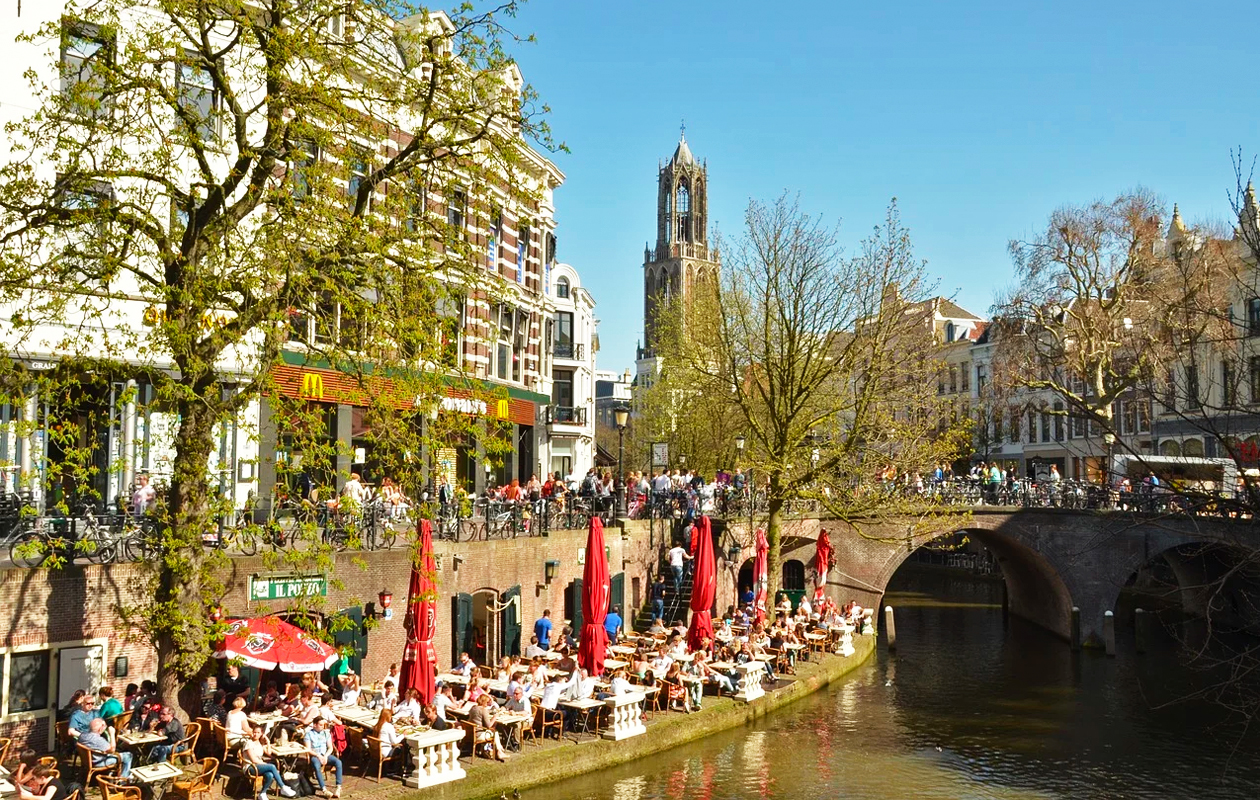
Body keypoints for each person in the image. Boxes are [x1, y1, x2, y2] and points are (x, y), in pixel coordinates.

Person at [241, 724, 296, 800]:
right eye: (254, 732)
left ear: (261, 734)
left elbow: (269, 753)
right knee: (272, 766)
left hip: (259, 767)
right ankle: (283, 787)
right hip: (250, 767)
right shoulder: (249, 743)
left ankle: (262, 793)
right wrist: (266, 764)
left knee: (270, 775)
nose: (255, 734)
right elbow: (254, 760)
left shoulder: (260, 743)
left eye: (258, 733)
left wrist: (268, 742)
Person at [303, 716, 343, 797]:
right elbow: (308, 749)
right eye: (320, 725)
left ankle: (338, 786)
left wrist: (325, 756)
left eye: (323, 725)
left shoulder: (326, 733)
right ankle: (324, 789)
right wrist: (318, 756)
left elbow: (330, 747)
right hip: (315, 755)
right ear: (315, 725)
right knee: (316, 765)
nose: (322, 727)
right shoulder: (308, 734)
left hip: (325, 754)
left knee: (338, 762)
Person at [466, 695, 510, 761]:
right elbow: (489, 726)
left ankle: (499, 751)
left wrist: (490, 711)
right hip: (479, 734)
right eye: (487, 702)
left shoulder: (473, 708)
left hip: (470, 732)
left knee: (494, 731)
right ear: (483, 702)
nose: (488, 704)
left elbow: (479, 715)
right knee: (495, 732)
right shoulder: (483, 710)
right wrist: (495, 717)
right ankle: (499, 752)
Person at [373, 708, 411, 778]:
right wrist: (403, 735)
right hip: (385, 751)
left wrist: (393, 730)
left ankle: (389, 767)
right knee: (403, 747)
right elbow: (394, 742)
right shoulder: (388, 726)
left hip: (376, 750)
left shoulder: (378, 725)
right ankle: (396, 769)